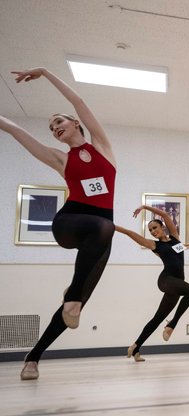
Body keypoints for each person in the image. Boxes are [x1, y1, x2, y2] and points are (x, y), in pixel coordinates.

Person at [1, 68, 116, 380]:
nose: (54, 129)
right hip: (70, 222)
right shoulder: (61, 160)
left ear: (75, 123)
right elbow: (14, 130)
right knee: (103, 228)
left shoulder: (102, 147)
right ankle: (74, 292)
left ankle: (33, 358)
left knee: (75, 307)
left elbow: (78, 101)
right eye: (51, 128)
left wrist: (46, 73)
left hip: (101, 231)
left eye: (59, 123)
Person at [115, 205, 189, 361]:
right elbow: (130, 233)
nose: (153, 231)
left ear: (162, 227)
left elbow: (166, 215)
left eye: (155, 228)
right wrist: (111, 225)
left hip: (177, 283)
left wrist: (144, 207)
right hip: (166, 280)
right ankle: (172, 325)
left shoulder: (175, 238)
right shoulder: (155, 245)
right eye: (151, 230)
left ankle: (135, 347)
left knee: (157, 318)